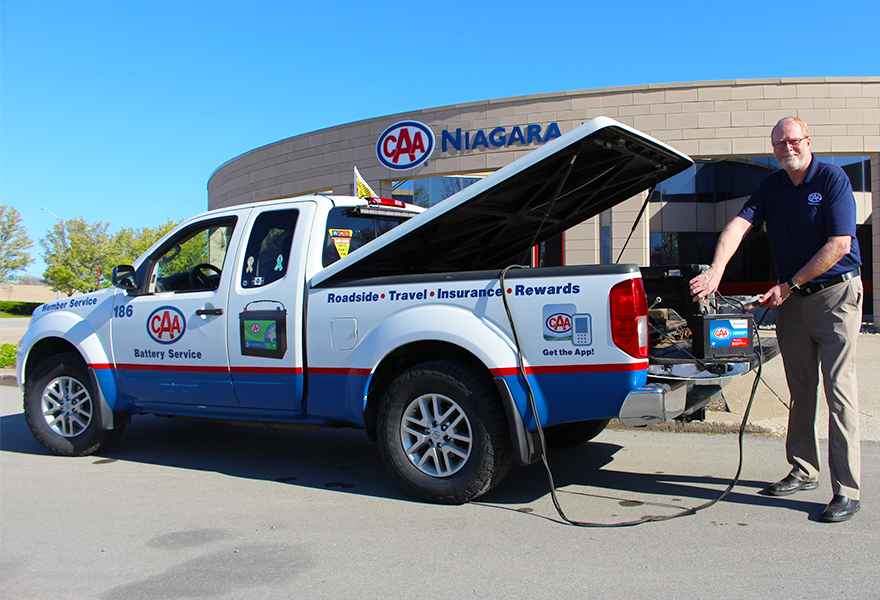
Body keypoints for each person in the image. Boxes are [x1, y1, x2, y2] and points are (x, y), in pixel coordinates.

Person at [689, 116, 863, 522]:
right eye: (779, 144)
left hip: (835, 297)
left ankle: (847, 490)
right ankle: (804, 470)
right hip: (794, 301)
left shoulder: (832, 179)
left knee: (840, 394)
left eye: (793, 140)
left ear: (808, 140)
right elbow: (739, 224)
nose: (787, 148)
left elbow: (839, 244)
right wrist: (716, 270)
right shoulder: (771, 186)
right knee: (801, 389)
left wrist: (790, 284)